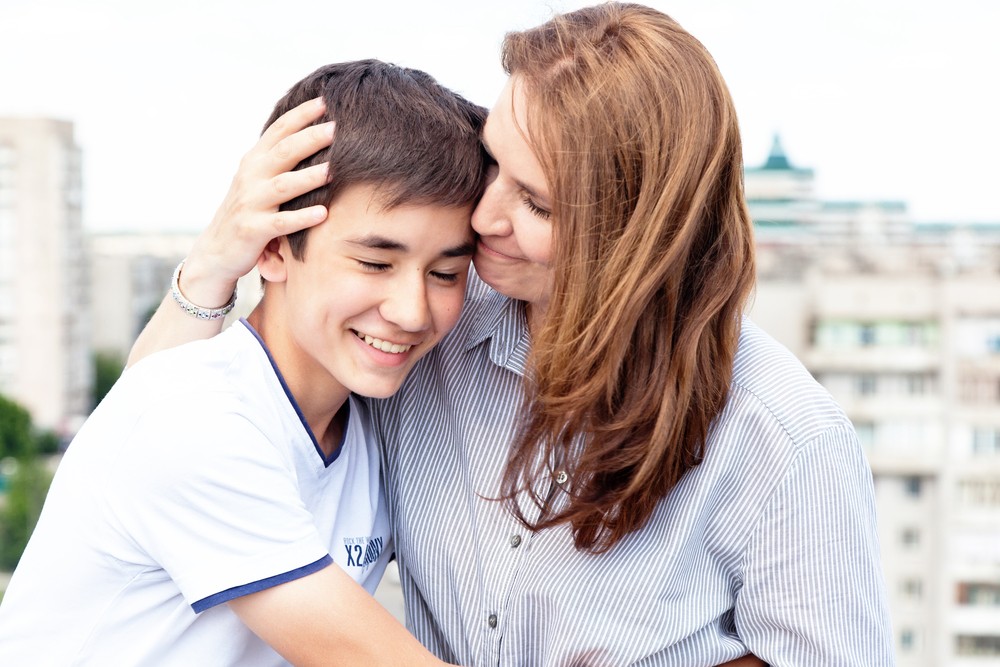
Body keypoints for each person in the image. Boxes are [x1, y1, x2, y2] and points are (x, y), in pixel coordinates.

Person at [128, 3, 894, 666]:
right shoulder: (424, 331)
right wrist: (211, 266)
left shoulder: (784, 438)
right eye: (493, 161)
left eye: (536, 202)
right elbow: (153, 441)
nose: (485, 216)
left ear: (635, 234)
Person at [0, 60, 488, 666]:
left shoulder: (371, 420)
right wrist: (210, 263)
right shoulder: (193, 420)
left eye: (445, 273)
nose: (413, 311)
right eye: (375, 263)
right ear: (274, 248)